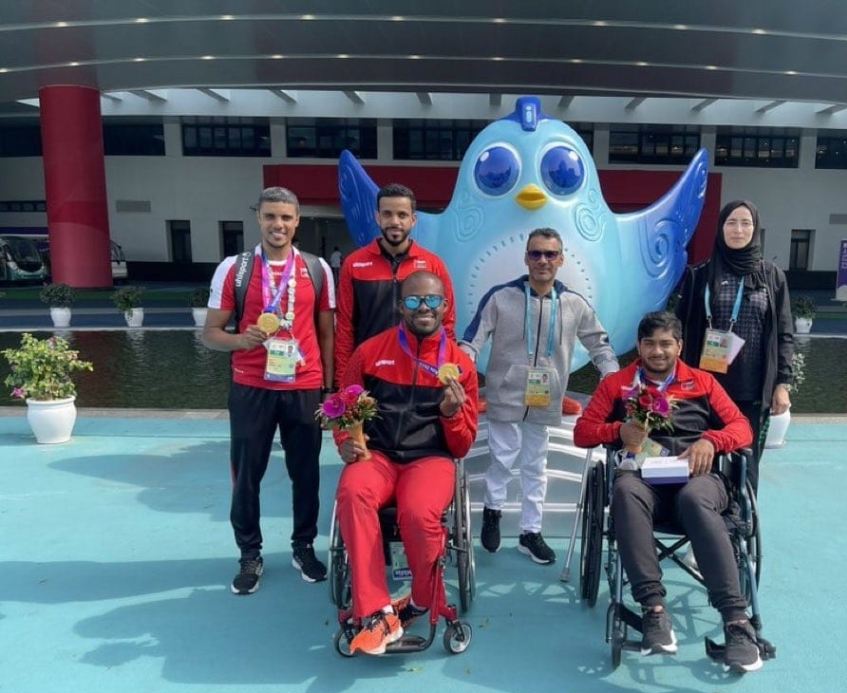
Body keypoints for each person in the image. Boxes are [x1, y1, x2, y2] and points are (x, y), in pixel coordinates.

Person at [573, 311, 763, 672]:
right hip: (645, 482)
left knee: (694, 498)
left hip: (698, 479)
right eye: (649, 344)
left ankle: (737, 623)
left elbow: (743, 428)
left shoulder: (703, 382)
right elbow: (583, 431)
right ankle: (654, 613)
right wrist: (616, 431)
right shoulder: (617, 384)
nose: (657, 351)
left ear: (679, 345)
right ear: (639, 346)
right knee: (625, 491)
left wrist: (712, 440)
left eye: (665, 344)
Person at [334, 271, 478, 655]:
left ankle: (420, 599)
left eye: (432, 301)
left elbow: (462, 446)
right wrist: (346, 442)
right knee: (351, 492)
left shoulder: (461, 366)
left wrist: (450, 413)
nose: (424, 308)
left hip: (429, 459)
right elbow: (344, 411)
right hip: (377, 455)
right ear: (401, 306)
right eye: (414, 301)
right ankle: (377, 610)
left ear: (446, 307)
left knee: (417, 513)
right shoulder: (369, 353)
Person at [203, 186, 336, 595]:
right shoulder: (235, 269)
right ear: (258, 218)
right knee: (246, 476)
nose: (278, 225)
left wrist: (329, 390)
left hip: (304, 386)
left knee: (306, 474)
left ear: (297, 221)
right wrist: (241, 341)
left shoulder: (317, 269)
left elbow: (327, 334)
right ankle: (250, 554)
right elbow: (210, 333)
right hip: (251, 387)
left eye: (286, 218)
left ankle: (304, 546)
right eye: (270, 217)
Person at [460, 227, 619, 564]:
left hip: (546, 397)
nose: (543, 260)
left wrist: (613, 376)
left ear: (561, 259)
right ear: (526, 258)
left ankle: (530, 532)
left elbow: (598, 343)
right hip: (506, 393)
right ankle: (493, 512)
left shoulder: (574, 304)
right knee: (502, 459)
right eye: (536, 254)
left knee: (536, 465)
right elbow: (472, 338)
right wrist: (461, 367)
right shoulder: (501, 296)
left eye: (550, 254)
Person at [673, 199, 793, 494]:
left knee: (746, 462)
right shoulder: (699, 275)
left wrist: (783, 384)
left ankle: (738, 523)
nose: (738, 230)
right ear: (720, 228)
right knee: (702, 459)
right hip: (705, 388)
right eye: (731, 223)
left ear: (756, 229)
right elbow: (678, 329)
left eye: (745, 223)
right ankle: (704, 519)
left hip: (751, 390)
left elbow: (785, 334)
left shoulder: (771, 277)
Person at [335, 184, 456, 383]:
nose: (395, 221)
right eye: (387, 214)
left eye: (402, 215)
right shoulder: (354, 264)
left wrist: (445, 372)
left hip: (420, 374)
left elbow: (447, 323)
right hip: (370, 373)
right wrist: (344, 382)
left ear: (413, 219)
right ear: (377, 217)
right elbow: (344, 328)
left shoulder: (434, 265)